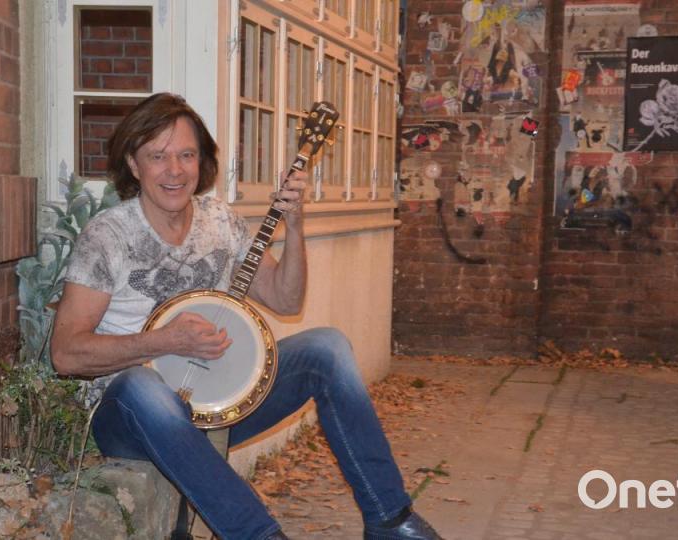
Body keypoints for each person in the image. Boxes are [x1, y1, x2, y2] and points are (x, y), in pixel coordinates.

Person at [50, 93, 442, 540]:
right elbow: (65, 354)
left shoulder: (220, 222)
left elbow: (285, 299)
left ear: (202, 162)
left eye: (186, 155)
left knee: (327, 349)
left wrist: (294, 227)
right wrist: (163, 342)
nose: (174, 170)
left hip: (216, 406)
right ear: (134, 165)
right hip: (129, 416)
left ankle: (390, 519)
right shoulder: (107, 237)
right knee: (144, 386)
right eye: (157, 157)